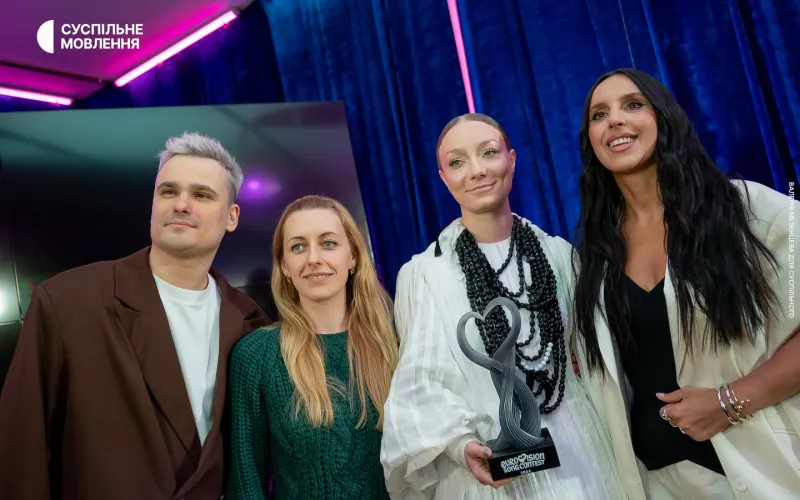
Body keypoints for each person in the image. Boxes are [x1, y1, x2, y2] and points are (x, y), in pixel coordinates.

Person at [0, 132, 270, 500]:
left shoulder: (250, 322)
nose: (181, 204)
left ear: (232, 216)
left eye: (202, 195)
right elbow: (21, 450)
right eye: (168, 191)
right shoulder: (66, 302)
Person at [571, 68, 800, 499]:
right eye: (599, 115)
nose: (615, 120)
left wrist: (729, 401)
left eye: (632, 105)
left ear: (664, 118)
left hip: (761, 472)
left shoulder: (743, 211)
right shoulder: (594, 258)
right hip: (659, 485)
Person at [380, 113, 627, 499]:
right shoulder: (425, 275)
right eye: (457, 162)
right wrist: (461, 446)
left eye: (488, 153)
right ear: (443, 178)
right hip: (492, 466)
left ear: (511, 159)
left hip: (582, 450)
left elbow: (596, 359)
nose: (476, 170)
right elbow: (421, 381)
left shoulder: (560, 256)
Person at [225, 195, 398, 499]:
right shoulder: (257, 355)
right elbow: (246, 483)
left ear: (353, 257)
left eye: (328, 243)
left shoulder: (393, 343)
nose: (313, 258)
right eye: (298, 247)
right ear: (285, 267)